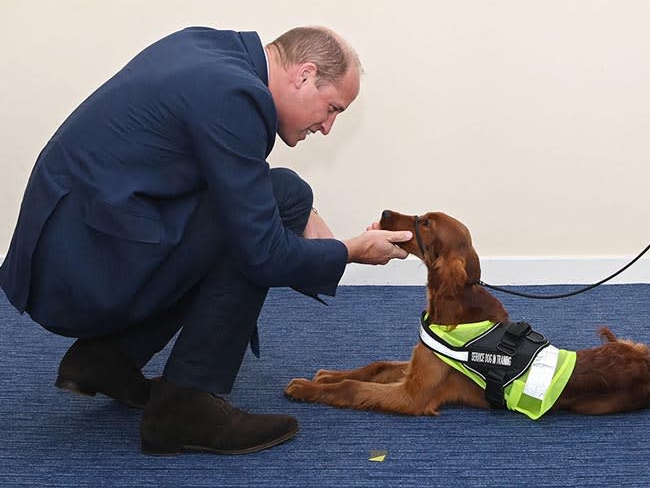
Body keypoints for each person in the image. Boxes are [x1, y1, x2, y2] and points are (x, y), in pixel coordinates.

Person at [0, 25, 412, 455]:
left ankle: (109, 358)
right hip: (85, 271)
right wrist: (348, 252)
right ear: (304, 75)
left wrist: (304, 213)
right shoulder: (237, 97)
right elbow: (264, 255)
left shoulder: (211, 50)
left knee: (287, 195)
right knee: (265, 225)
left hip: (71, 246)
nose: (327, 127)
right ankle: (185, 406)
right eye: (332, 109)